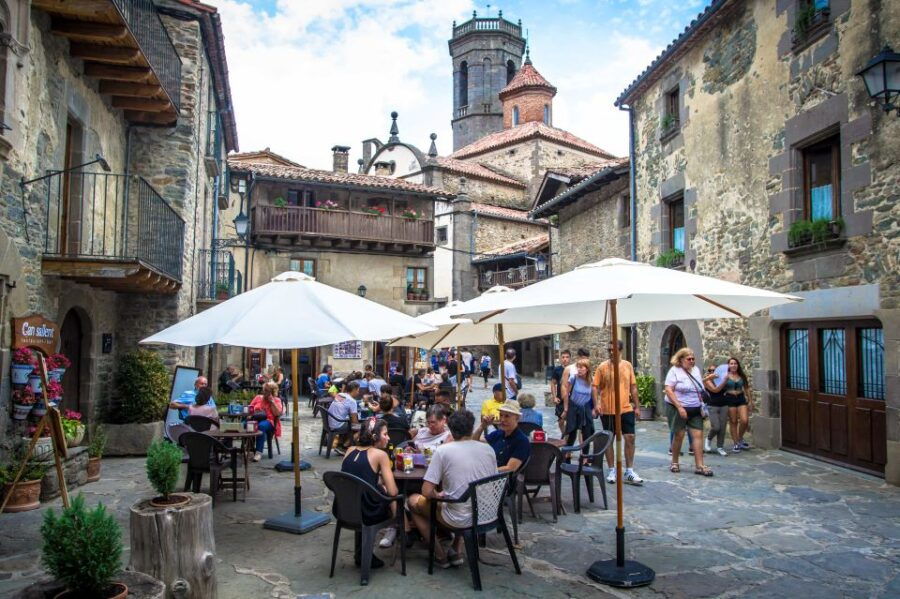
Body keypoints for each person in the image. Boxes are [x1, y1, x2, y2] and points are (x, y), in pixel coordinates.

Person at [408, 410, 498, 568]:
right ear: (471, 427)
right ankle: (456, 549)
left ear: (450, 428)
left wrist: (438, 495)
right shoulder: (488, 449)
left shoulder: (443, 451)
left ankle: (439, 554)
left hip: (458, 518)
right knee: (460, 497)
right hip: (487, 513)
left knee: (412, 501)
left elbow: (426, 492)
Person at [340, 418, 400, 565]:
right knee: (394, 497)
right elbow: (393, 492)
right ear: (374, 437)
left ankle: (361, 554)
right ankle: (402, 529)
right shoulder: (380, 455)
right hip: (367, 513)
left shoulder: (349, 450)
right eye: (385, 434)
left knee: (376, 490)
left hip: (344, 509)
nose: (388, 438)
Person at [593, 341, 643, 485]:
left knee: (630, 437)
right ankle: (612, 469)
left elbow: (633, 387)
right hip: (608, 409)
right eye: (609, 350)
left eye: (613, 350)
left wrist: (637, 406)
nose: (611, 352)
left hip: (625, 408)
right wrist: (596, 404)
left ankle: (629, 471)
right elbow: (595, 387)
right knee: (609, 439)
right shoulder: (602, 367)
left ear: (620, 350)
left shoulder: (627, 365)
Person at [664, 347, 714, 476]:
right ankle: (675, 462)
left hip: (695, 407)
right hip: (677, 407)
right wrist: (680, 407)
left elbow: (698, 386)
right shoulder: (674, 371)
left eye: (693, 359)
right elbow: (668, 390)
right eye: (689, 359)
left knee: (698, 435)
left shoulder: (696, 370)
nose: (692, 361)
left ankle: (700, 465)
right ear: (681, 360)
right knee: (679, 435)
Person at [708, 357, 754, 453]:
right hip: (729, 399)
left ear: (738, 365)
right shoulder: (724, 375)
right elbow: (717, 386)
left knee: (745, 420)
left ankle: (740, 438)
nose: (733, 365)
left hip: (741, 398)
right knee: (733, 421)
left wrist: (750, 401)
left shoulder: (741, 375)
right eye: (731, 363)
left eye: (735, 363)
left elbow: (746, 388)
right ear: (728, 365)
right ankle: (736, 443)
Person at [474, 400, 531, 473]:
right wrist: (482, 426)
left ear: (517, 418)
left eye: (507, 416)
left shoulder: (522, 441)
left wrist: (485, 472)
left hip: (503, 478)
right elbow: (473, 441)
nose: (503, 419)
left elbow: (510, 468)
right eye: (501, 415)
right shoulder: (498, 434)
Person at [248, 382, 283, 462]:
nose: (264, 392)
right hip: (255, 419)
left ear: (272, 392)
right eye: (264, 390)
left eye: (266, 390)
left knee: (261, 426)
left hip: (269, 421)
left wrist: (272, 402)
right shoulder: (258, 397)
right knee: (245, 424)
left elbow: (277, 414)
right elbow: (250, 408)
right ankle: (249, 448)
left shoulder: (277, 400)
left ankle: (258, 452)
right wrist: (250, 414)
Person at [703, 362, 730, 456]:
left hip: (724, 404)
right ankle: (708, 439)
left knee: (722, 427)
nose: (712, 372)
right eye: (710, 370)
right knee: (716, 427)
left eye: (714, 370)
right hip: (712, 405)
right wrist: (725, 381)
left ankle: (720, 447)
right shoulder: (707, 380)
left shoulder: (722, 378)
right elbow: (715, 390)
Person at [328, 380, 361, 455]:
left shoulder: (340, 395)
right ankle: (344, 446)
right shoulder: (352, 401)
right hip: (337, 424)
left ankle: (340, 444)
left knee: (348, 422)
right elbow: (354, 421)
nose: (358, 392)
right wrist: (360, 426)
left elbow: (342, 406)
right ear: (354, 390)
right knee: (361, 429)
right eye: (358, 390)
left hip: (330, 422)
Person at [551, 349, 571, 431]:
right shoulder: (557, 369)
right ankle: (564, 435)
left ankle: (568, 437)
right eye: (563, 357)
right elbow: (553, 383)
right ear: (560, 358)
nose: (565, 359)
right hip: (560, 399)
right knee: (561, 421)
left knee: (570, 421)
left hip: (571, 399)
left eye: (567, 357)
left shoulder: (573, 370)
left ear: (570, 358)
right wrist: (554, 397)